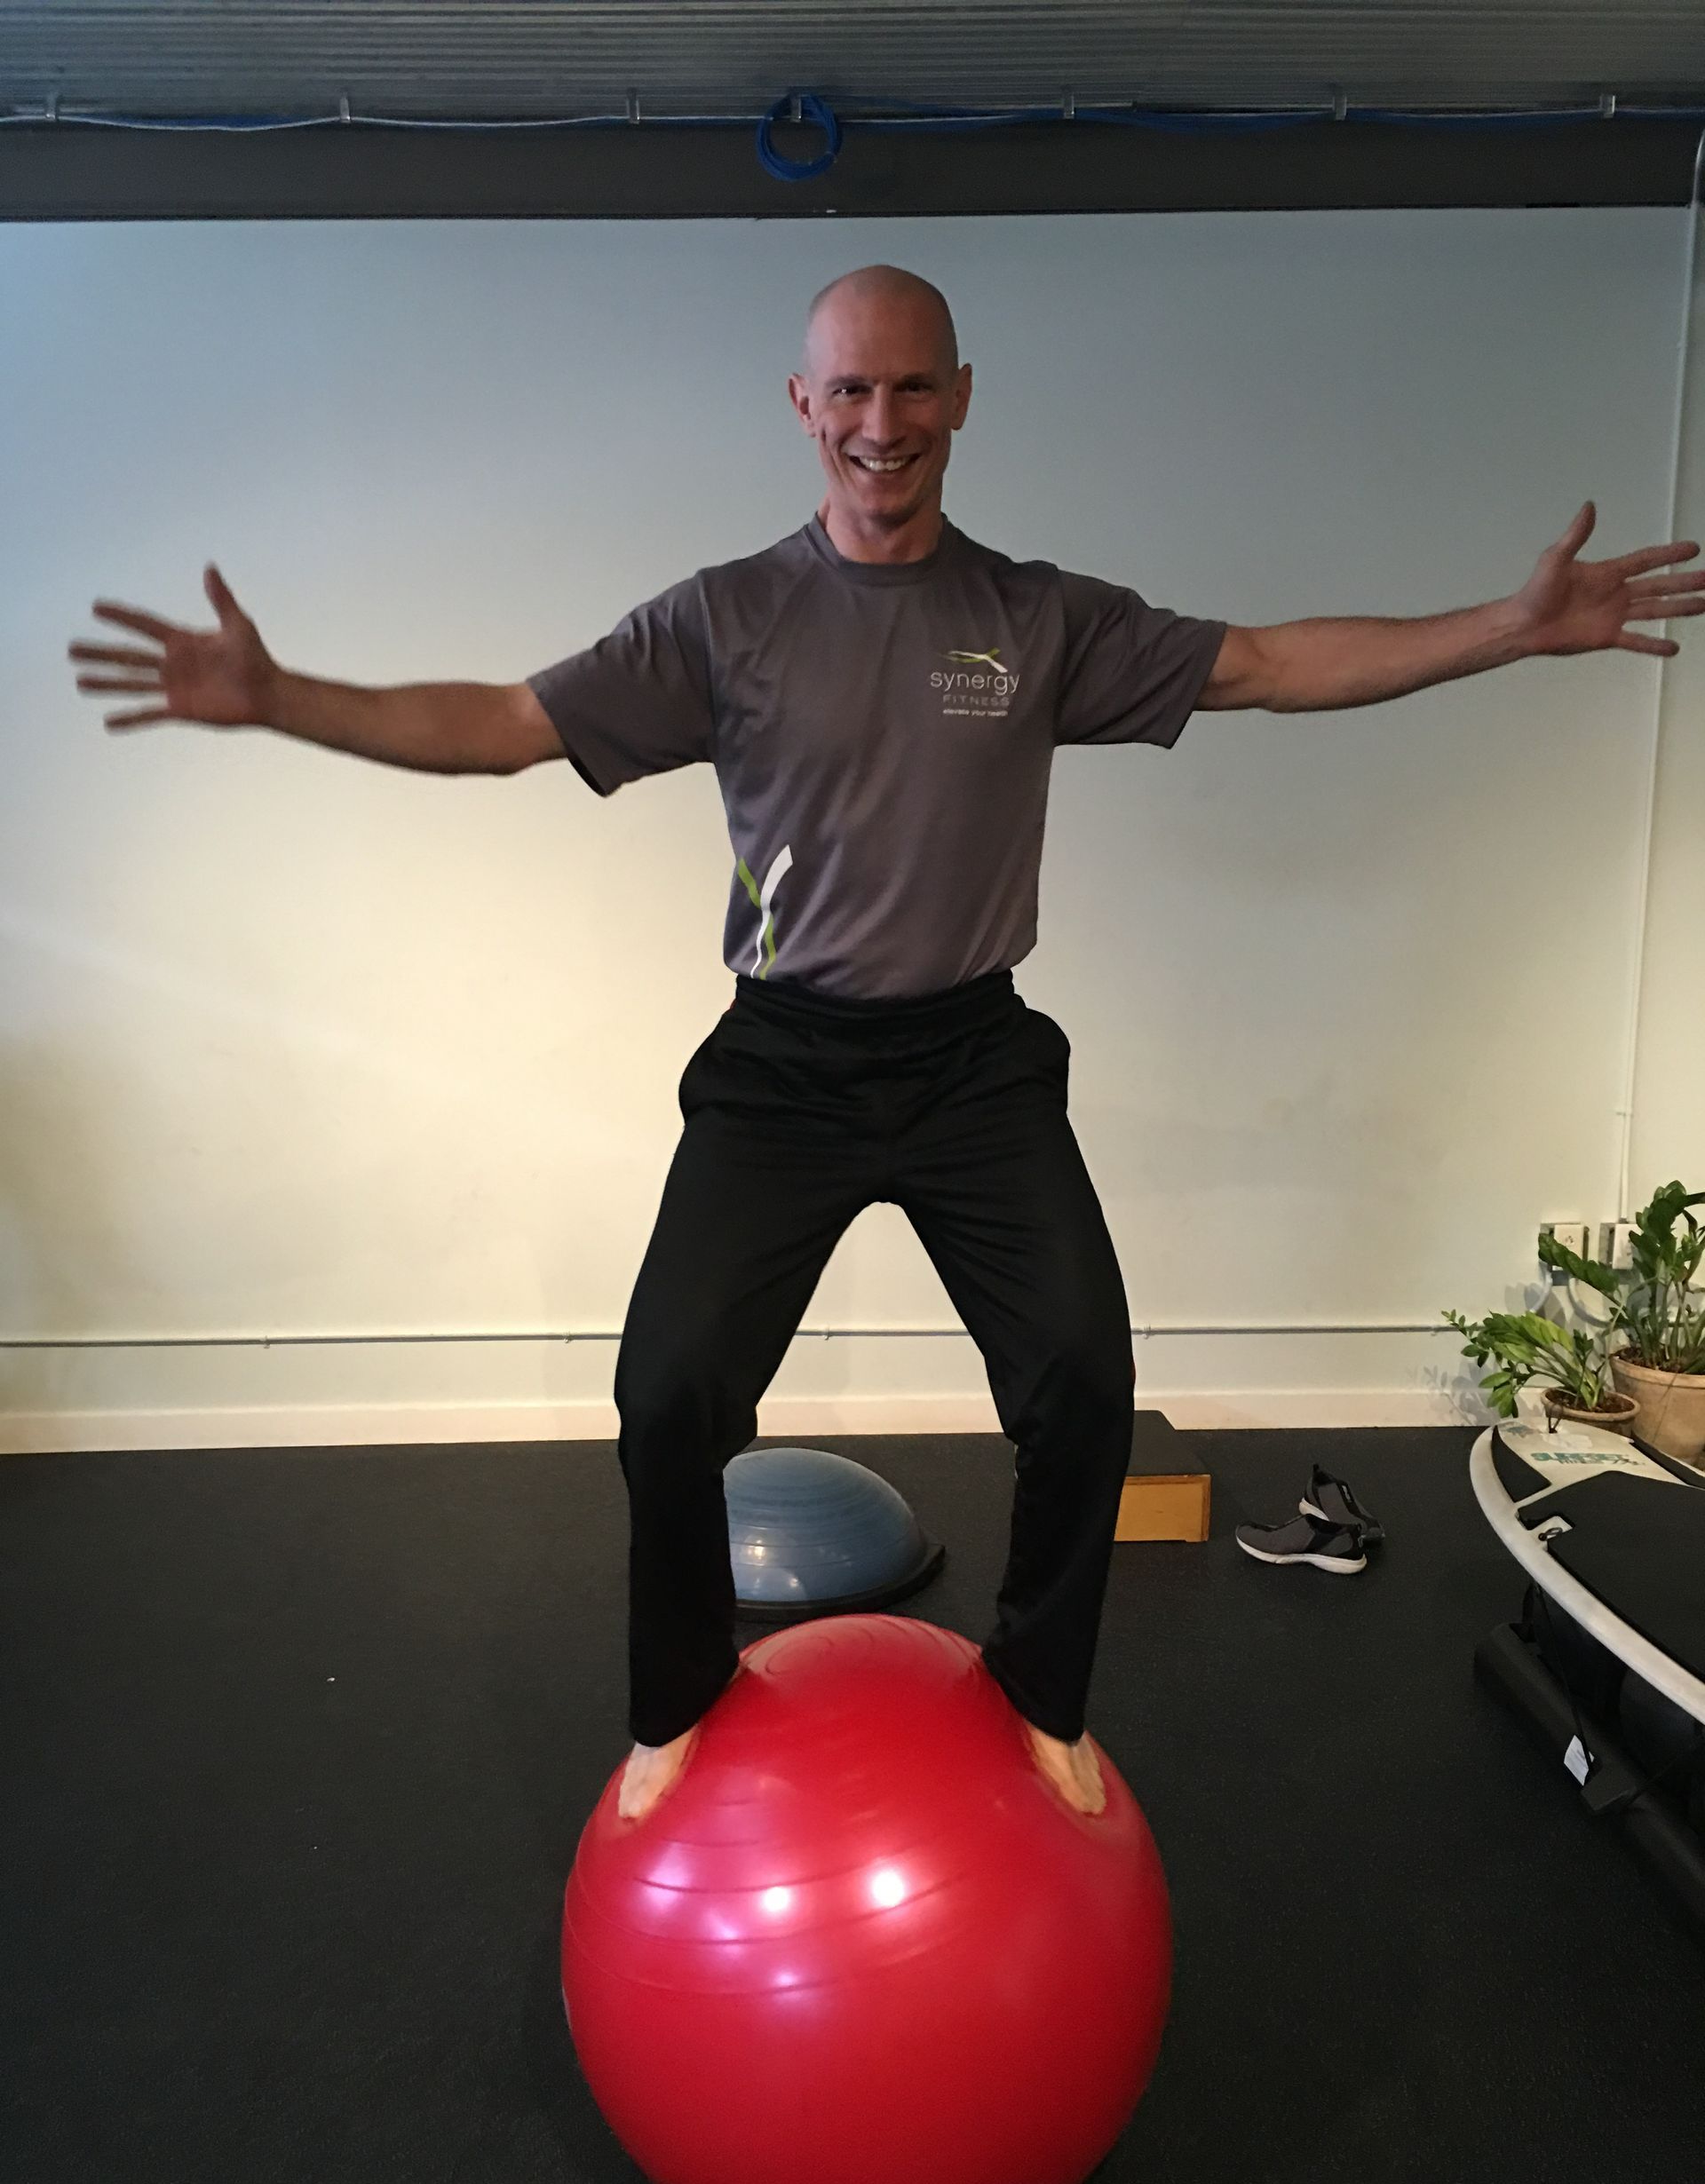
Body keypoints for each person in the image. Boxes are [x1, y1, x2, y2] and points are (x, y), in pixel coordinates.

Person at [70, 263, 1704, 1825]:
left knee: (1078, 1377)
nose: (881, 416)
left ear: (963, 398)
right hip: (784, 1068)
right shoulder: (724, 621)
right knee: (670, 1388)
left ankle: (1044, 1698)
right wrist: (286, 697)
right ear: (801, 402)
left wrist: (1507, 624)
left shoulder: (1036, 614)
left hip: (976, 1066)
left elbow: (1270, 664)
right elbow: (504, 723)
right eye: (849, 385)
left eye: (913, 382)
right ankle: (676, 1706)